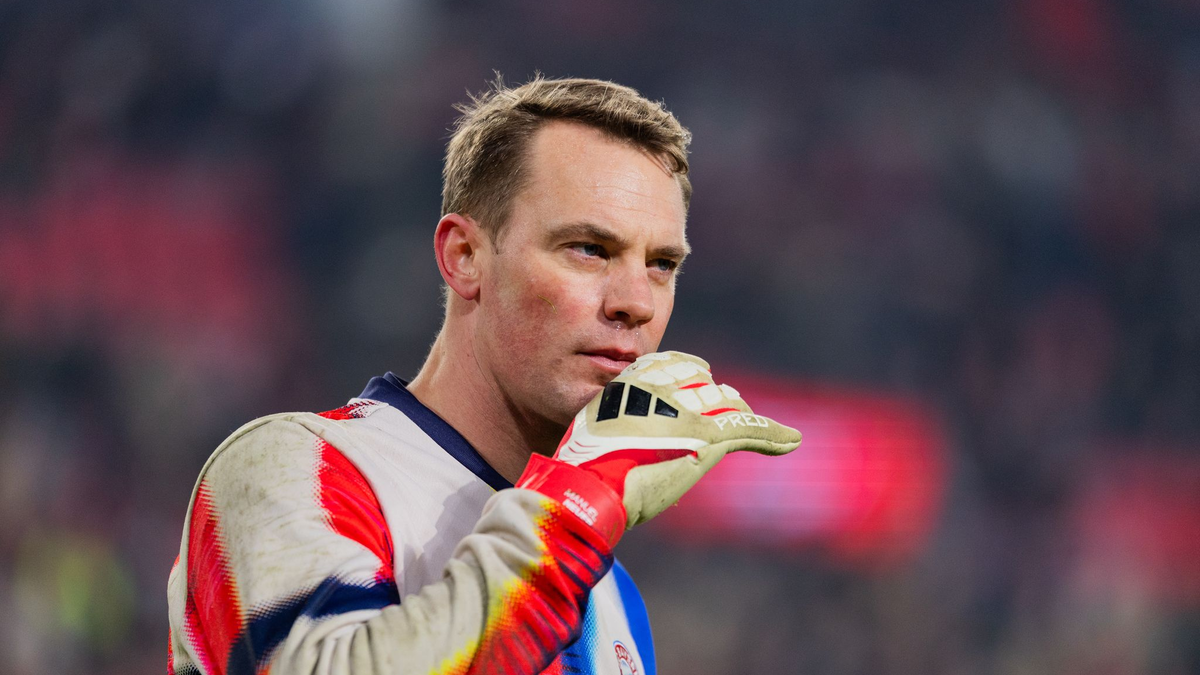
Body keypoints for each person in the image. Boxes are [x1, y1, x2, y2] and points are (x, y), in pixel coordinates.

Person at [166, 76, 801, 675]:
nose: (635, 301)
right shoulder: (292, 466)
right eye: (588, 249)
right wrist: (577, 508)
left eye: (662, 264)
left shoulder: (610, 595)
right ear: (465, 257)